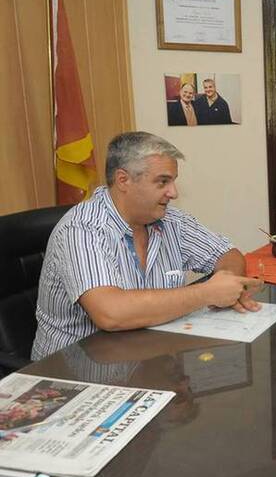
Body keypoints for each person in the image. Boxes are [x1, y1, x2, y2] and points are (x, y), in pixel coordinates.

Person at [31, 131, 261, 360]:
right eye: (163, 181)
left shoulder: (170, 220)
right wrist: (207, 293)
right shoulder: (82, 229)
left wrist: (227, 284)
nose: (174, 192)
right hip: (74, 372)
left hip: (147, 357)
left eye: (173, 181)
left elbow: (227, 253)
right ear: (124, 180)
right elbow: (110, 314)